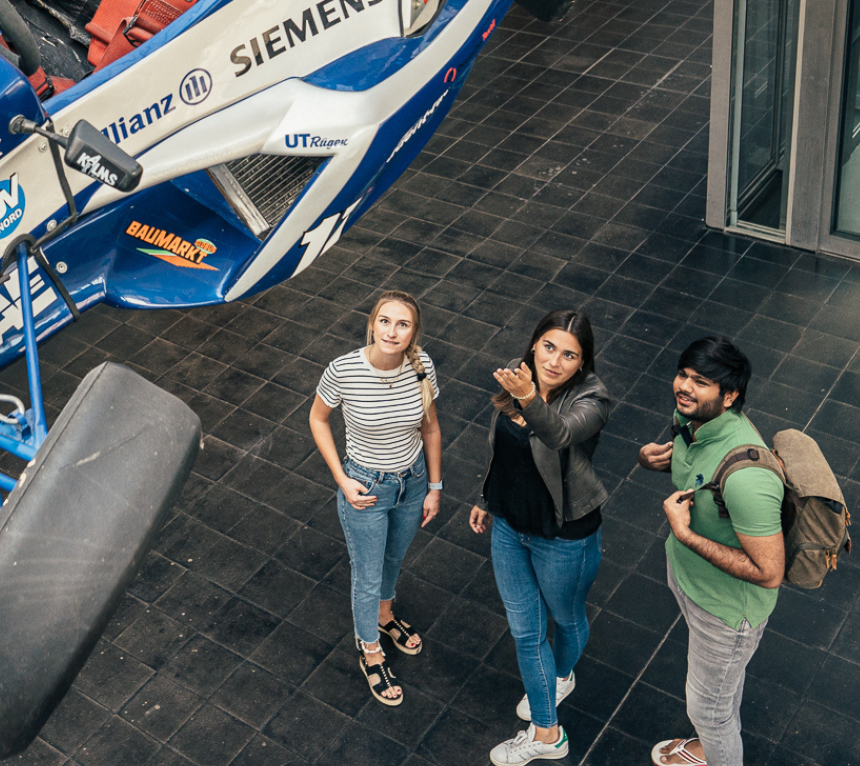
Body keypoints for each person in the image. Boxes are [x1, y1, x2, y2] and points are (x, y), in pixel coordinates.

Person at [470, 308, 610, 764]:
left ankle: (562, 674)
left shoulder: (592, 398)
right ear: (534, 344)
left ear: (583, 363)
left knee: (567, 621)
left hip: (563, 536)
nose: (555, 361)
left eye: (569, 355)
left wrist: (529, 396)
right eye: (548, 347)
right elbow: (503, 448)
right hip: (510, 528)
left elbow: (559, 434)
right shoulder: (521, 377)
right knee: (527, 634)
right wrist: (486, 498)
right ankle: (548, 735)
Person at [638, 334, 785, 766]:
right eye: (683, 375)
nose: (684, 387)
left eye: (701, 381)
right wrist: (653, 460)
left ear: (730, 395)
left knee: (710, 710)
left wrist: (686, 537)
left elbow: (770, 571)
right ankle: (707, 746)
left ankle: (715, 748)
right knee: (720, 691)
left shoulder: (748, 478)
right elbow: (691, 468)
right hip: (692, 582)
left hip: (726, 612)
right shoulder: (692, 421)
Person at [309, 287, 441, 707]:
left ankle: (385, 617)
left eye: (402, 324)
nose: (392, 330)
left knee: (394, 560)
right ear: (372, 323)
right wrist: (342, 479)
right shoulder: (344, 370)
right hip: (366, 485)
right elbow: (317, 418)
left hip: (413, 482)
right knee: (366, 574)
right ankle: (370, 649)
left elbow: (431, 429)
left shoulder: (422, 367)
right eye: (385, 320)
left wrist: (434, 487)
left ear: (413, 333)